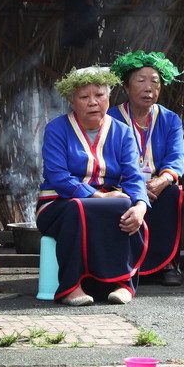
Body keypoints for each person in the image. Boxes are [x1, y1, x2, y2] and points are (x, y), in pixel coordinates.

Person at [37, 66, 149, 306]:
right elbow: (59, 177)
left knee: (126, 207)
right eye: (84, 97)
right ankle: (70, 287)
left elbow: (133, 176)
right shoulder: (56, 129)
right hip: (59, 203)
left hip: (105, 202)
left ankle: (122, 283)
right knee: (78, 209)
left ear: (108, 98)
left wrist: (140, 205)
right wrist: (96, 196)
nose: (92, 103)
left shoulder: (122, 132)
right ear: (71, 100)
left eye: (99, 95)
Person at [109, 50, 184, 286]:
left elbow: (177, 155)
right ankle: (125, 265)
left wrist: (163, 179)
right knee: (117, 198)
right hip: (124, 183)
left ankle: (168, 265)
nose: (148, 87)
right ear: (126, 88)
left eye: (155, 81)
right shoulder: (111, 118)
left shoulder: (170, 119)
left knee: (173, 193)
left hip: (157, 184)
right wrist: (134, 185)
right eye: (140, 81)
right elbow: (106, 159)